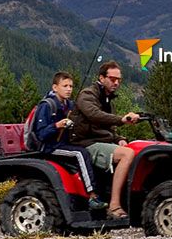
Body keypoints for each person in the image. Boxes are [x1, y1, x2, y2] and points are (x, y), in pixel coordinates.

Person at [69, 61, 139, 219]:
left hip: (99, 141)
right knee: (127, 155)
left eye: (119, 79)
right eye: (112, 78)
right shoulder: (88, 95)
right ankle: (114, 206)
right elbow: (94, 115)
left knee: (134, 148)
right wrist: (121, 119)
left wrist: (119, 138)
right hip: (86, 142)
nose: (116, 82)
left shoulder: (107, 99)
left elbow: (107, 128)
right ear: (101, 78)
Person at [35, 71, 108, 211]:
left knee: (86, 151)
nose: (69, 89)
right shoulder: (47, 105)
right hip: (50, 146)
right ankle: (92, 196)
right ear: (55, 87)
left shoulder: (69, 105)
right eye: (65, 86)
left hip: (65, 143)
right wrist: (57, 125)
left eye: (71, 86)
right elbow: (41, 134)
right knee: (81, 154)